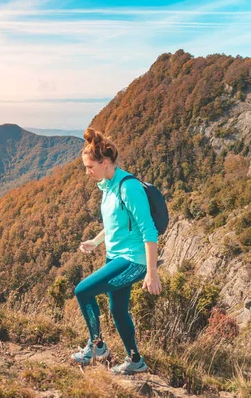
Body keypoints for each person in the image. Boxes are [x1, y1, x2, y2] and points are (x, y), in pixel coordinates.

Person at [70, 127, 162, 375]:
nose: (87, 172)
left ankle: (96, 346)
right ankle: (135, 361)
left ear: (106, 162)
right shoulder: (107, 185)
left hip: (134, 261)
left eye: (90, 167)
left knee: (83, 291)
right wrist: (96, 242)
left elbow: (148, 230)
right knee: (118, 310)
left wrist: (151, 273)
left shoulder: (128, 187)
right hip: (117, 256)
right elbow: (117, 223)